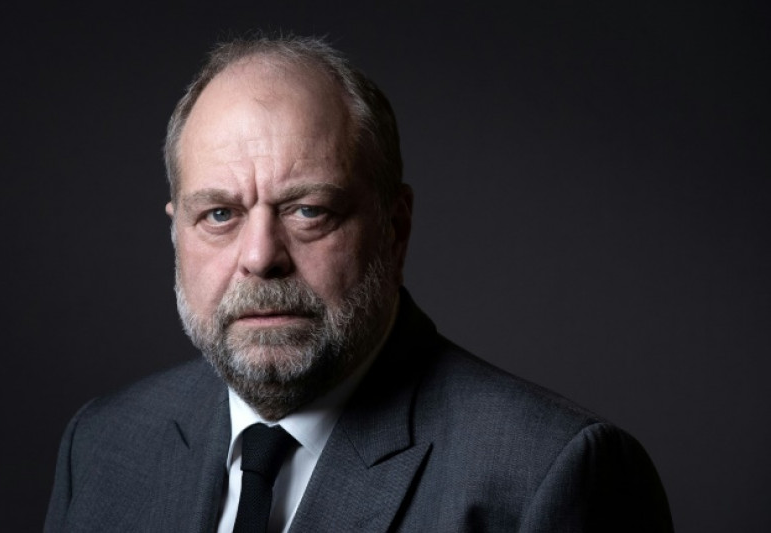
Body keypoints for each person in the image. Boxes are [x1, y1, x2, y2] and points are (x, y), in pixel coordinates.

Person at [44, 35, 673, 533]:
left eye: (308, 210)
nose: (260, 257)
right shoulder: (102, 444)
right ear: (175, 232)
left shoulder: (549, 475)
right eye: (218, 214)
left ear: (394, 229)